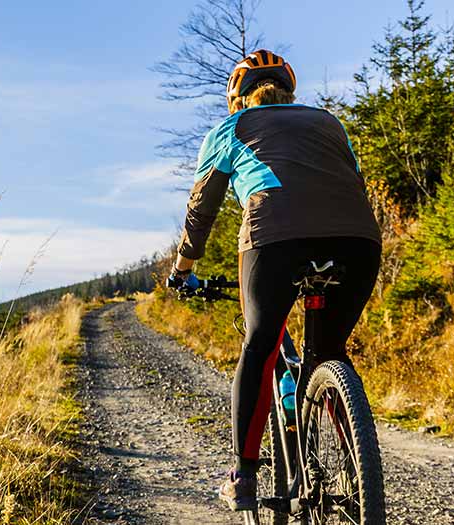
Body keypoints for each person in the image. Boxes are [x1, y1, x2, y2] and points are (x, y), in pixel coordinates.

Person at [164, 49, 382, 511]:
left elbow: (200, 213)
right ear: (288, 90)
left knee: (260, 345)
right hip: (358, 241)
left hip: (275, 240)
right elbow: (354, 180)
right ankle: (357, 463)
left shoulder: (230, 129)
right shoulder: (328, 122)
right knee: (329, 353)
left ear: (237, 98)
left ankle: (242, 476)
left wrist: (183, 269)